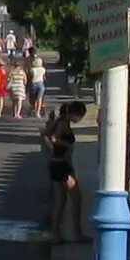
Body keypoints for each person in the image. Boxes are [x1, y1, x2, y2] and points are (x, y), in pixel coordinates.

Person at [43, 99, 87, 243]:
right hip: (62, 165)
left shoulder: (61, 122)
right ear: (74, 114)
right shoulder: (62, 124)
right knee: (76, 198)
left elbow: (47, 134)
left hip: (58, 163)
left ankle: (56, 234)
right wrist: (67, 145)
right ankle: (77, 233)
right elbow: (53, 138)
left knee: (60, 201)